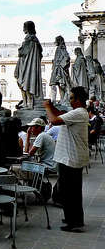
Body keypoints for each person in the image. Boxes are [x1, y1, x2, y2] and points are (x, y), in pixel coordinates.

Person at [43, 86, 90, 232]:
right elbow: (60, 114)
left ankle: (75, 221)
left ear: (77, 99)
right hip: (69, 157)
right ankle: (71, 218)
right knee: (68, 190)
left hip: (72, 158)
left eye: (70, 97)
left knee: (71, 192)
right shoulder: (77, 113)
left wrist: (46, 107)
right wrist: (51, 106)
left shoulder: (79, 113)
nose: (68, 100)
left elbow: (54, 119)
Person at [14, 21, 43, 110]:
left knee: (26, 83)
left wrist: (20, 50)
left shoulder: (30, 40)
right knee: (23, 83)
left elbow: (23, 52)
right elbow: (40, 53)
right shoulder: (34, 40)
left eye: (24, 27)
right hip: (26, 64)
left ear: (28, 28)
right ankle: (26, 103)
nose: (23, 29)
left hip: (27, 66)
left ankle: (29, 103)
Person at [50, 35, 72, 105]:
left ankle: (62, 99)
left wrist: (61, 65)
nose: (55, 42)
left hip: (59, 69)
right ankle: (62, 99)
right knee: (59, 84)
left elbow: (66, 57)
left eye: (56, 40)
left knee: (61, 85)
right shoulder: (59, 48)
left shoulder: (61, 48)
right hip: (57, 68)